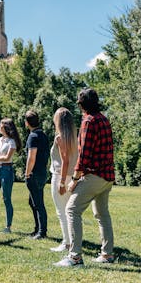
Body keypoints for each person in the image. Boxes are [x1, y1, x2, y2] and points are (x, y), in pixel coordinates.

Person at [54, 88, 115, 267]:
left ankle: (75, 257)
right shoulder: (104, 119)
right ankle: (107, 254)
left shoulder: (88, 121)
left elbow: (84, 156)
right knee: (102, 214)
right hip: (107, 176)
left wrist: (74, 179)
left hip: (94, 175)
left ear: (81, 105)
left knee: (71, 210)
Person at [48, 107, 78, 252]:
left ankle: (67, 242)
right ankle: (70, 241)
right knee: (68, 211)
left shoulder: (60, 137)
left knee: (62, 211)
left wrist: (60, 183)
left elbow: (64, 161)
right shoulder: (74, 137)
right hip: (72, 176)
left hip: (60, 175)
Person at [24, 110, 50, 240]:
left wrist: (27, 173)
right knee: (33, 201)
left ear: (27, 123)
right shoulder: (43, 135)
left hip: (34, 173)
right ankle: (37, 228)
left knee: (38, 203)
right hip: (42, 172)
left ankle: (41, 231)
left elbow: (31, 157)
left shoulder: (33, 136)